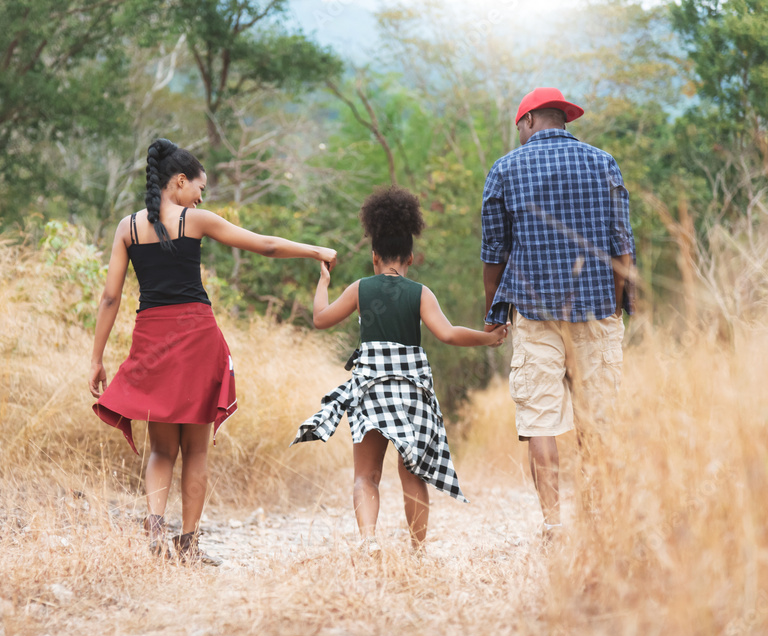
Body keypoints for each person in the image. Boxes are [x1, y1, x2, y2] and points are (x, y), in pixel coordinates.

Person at [90, 138, 337, 565]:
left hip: (152, 338)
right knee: (197, 451)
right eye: (199, 188)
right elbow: (266, 246)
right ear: (179, 181)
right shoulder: (195, 220)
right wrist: (315, 250)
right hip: (196, 336)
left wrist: (96, 358)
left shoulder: (127, 228)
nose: (201, 198)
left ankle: (154, 531)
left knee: (160, 449)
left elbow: (110, 297)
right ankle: (187, 546)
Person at [292, 185, 507, 553]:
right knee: (413, 475)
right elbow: (448, 334)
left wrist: (323, 282)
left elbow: (320, 319)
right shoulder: (420, 293)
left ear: (374, 256)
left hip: (371, 390)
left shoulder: (360, 289)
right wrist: (488, 338)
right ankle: (417, 550)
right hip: (411, 395)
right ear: (410, 258)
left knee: (365, 475)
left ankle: (368, 541)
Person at [480, 87, 636, 539]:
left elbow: (494, 255)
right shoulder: (603, 162)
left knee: (540, 421)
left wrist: (493, 314)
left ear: (528, 120)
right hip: (598, 309)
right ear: (561, 118)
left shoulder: (505, 169)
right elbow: (622, 246)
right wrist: (617, 305)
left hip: (534, 315)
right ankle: (598, 522)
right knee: (597, 419)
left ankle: (553, 525)